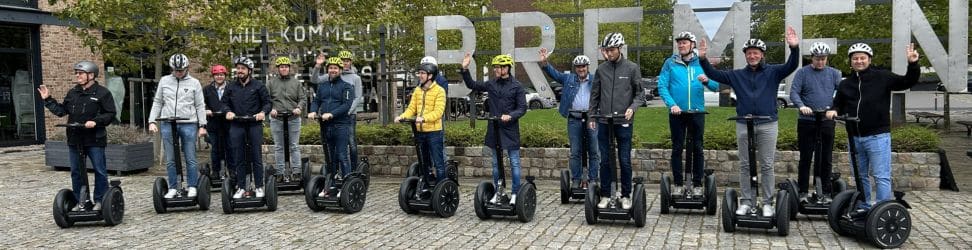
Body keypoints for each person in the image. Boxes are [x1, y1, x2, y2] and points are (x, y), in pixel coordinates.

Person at [698, 26, 800, 217]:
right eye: (749, 53)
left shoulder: (773, 72)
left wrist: (794, 48)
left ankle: (767, 202)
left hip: (768, 123)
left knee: (767, 164)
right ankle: (746, 201)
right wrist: (703, 59)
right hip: (744, 124)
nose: (752, 56)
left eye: (756, 53)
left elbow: (791, 66)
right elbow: (714, 75)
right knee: (745, 164)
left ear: (762, 55)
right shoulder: (737, 75)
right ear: (746, 55)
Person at [827, 43, 920, 211]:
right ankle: (863, 206)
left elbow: (907, 81)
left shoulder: (882, 77)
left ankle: (881, 211)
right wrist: (833, 111)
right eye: (855, 58)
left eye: (863, 58)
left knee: (881, 176)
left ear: (869, 60)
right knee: (860, 176)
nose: (859, 61)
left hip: (877, 136)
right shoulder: (845, 84)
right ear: (851, 61)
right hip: (854, 137)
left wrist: (913, 64)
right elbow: (837, 104)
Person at [38, 61, 117, 211]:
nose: (77, 76)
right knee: (76, 172)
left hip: (94, 139)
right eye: (77, 73)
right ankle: (81, 201)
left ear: (91, 75)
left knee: (99, 171)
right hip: (75, 139)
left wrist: (95, 121)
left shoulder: (102, 93)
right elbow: (61, 111)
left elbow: (110, 114)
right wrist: (48, 99)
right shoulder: (73, 93)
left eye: (80, 73)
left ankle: (100, 201)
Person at [658, 31, 720, 197]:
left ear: (692, 45)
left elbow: (716, 86)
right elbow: (662, 86)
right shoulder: (670, 63)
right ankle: (678, 184)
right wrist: (672, 105)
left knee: (698, 148)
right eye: (679, 43)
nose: (681, 45)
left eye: (684, 42)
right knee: (677, 148)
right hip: (677, 112)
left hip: (697, 112)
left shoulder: (701, 62)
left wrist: (706, 80)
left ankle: (698, 184)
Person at [461, 53, 527, 205]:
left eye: (498, 67)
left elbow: (522, 108)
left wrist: (510, 116)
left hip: (509, 129)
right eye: (495, 67)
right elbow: (472, 85)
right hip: (494, 128)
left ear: (506, 68)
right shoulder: (492, 84)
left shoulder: (517, 86)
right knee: (496, 164)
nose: (496, 70)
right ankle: (499, 191)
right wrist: (465, 69)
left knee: (514, 162)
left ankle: (516, 193)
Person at [589, 32, 644, 210]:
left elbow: (640, 94)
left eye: (611, 49)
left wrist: (632, 108)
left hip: (623, 121)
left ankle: (626, 195)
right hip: (605, 121)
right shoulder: (601, 69)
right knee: (605, 160)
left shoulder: (631, 68)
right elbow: (595, 95)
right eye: (606, 50)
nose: (609, 53)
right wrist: (592, 116)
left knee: (624, 159)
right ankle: (606, 194)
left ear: (619, 48)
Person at [147, 53, 208, 199]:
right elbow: (158, 102)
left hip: (188, 123)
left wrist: (202, 125)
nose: (179, 73)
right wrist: (152, 121)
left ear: (187, 68)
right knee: (171, 158)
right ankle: (173, 187)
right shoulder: (164, 81)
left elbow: (200, 105)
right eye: (176, 70)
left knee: (190, 157)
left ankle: (192, 186)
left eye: (181, 70)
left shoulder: (194, 83)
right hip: (168, 123)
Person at [538, 47, 600, 190]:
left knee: (594, 151)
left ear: (587, 67)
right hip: (574, 118)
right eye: (578, 67)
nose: (581, 69)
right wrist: (545, 63)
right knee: (575, 151)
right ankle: (576, 179)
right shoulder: (569, 78)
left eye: (583, 66)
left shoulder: (595, 80)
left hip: (592, 118)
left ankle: (593, 179)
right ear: (575, 68)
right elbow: (554, 74)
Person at [790, 42, 841, 202]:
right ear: (811, 58)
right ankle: (803, 192)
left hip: (826, 120)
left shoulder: (834, 73)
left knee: (825, 157)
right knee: (805, 157)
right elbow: (794, 92)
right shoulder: (802, 73)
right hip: (807, 120)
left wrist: (835, 108)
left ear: (827, 59)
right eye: (817, 58)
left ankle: (825, 192)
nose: (820, 61)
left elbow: (842, 94)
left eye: (823, 59)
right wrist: (802, 106)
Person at [223, 56, 272, 199]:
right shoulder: (231, 86)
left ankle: (258, 186)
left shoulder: (258, 86)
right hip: (237, 124)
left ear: (249, 71)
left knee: (256, 156)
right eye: (238, 68)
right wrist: (228, 112)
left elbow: (268, 103)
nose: (240, 71)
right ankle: (241, 187)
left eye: (243, 69)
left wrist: (263, 113)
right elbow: (224, 103)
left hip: (254, 124)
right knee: (238, 156)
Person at [395, 62, 447, 188]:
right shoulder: (417, 90)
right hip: (420, 132)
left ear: (430, 76)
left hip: (434, 132)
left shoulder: (439, 91)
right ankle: (427, 184)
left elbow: (438, 112)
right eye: (420, 73)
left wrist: (424, 118)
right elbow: (411, 109)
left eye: (423, 73)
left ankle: (441, 189)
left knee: (438, 163)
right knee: (424, 162)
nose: (420, 75)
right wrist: (402, 116)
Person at [308, 56, 354, 198]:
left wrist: (331, 114)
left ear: (340, 70)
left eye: (335, 68)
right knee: (329, 158)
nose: (332, 70)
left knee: (341, 156)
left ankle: (346, 186)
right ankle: (331, 185)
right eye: (330, 68)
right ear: (327, 70)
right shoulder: (323, 86)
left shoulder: (347, 87)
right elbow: (316, 100)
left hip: (340, 125)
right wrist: (313, 110)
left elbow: (346, 106)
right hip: (326, 126)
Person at [267, 56, 305, 181]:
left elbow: (302, 98)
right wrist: (271, 108)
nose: (284, 69)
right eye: (281, 67)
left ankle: (297, 171)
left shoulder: (296, 83)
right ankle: (280, 172)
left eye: (286, 67)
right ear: (278, 69)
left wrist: (299, 107)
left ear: (289, 68)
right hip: (277, 118)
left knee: (294, 145)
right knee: (279, 146)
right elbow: (266, 100)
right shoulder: (271, 83)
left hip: (293, 118)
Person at [203, 65, 230, 180]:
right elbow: (202, 103)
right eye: (217, 75)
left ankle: (230, 171)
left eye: (221, 75)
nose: (219, 77)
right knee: (215, 148)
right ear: (213, 76)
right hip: (213, 122)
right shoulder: (207, 89)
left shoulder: (231, 88)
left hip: (228, 123)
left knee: (229, 148)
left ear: (225, 76)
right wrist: (206, 109)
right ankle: (216, 171)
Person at [339, 50, 363, 169]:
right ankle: (341, 168)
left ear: (350, 62)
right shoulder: (335, 77)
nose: (344, 63)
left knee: (351, 142)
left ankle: (354, 168)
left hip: (349, 115)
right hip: (337, 115)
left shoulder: (356, 78)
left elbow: (358, 97)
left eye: (347, 61)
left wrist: (348, 110)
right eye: (342, 61)